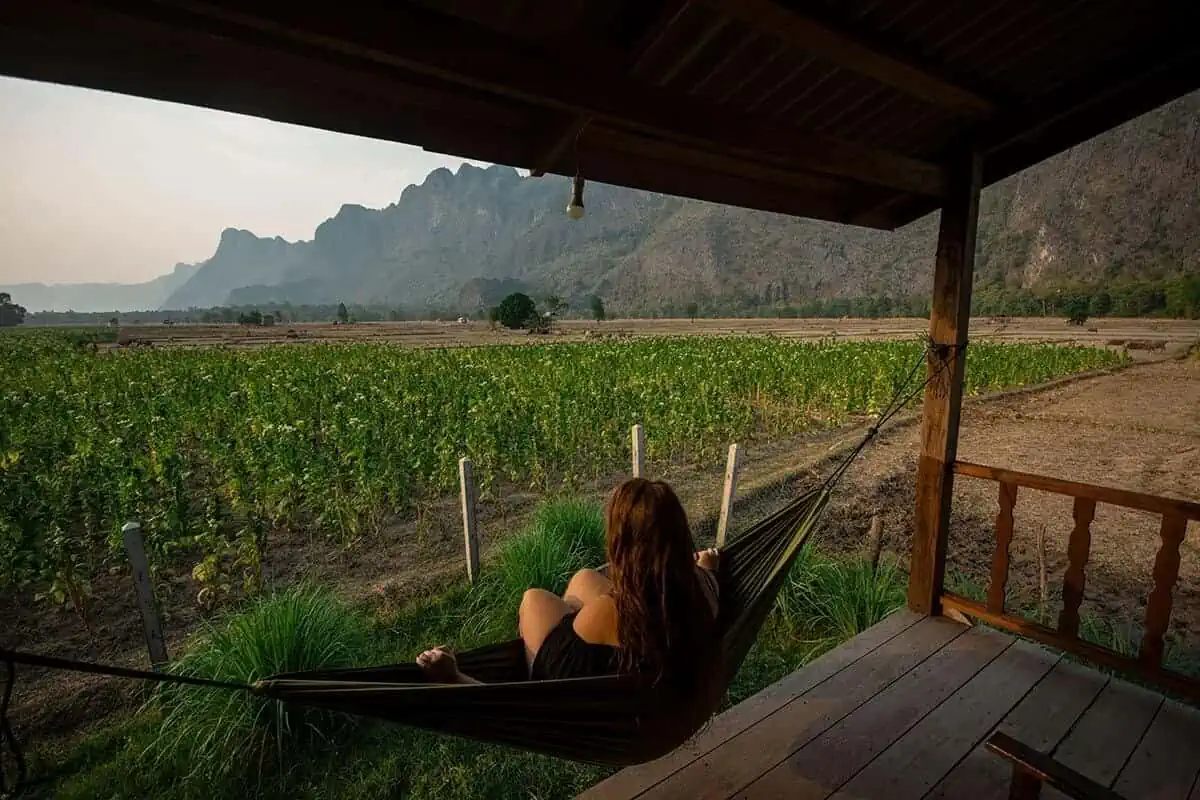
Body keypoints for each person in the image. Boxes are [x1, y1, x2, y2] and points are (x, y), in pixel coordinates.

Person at [417, 478, 721, 705]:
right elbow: (705, 574)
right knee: (584, 578)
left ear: (623, 544)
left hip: (574, 685)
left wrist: (453, 677)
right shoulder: (701, 588)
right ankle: (567, 611)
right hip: (649, 657)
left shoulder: (614, 610)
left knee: (533, 599)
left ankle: (527, 652)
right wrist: (707, 565)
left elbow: (533, 706)